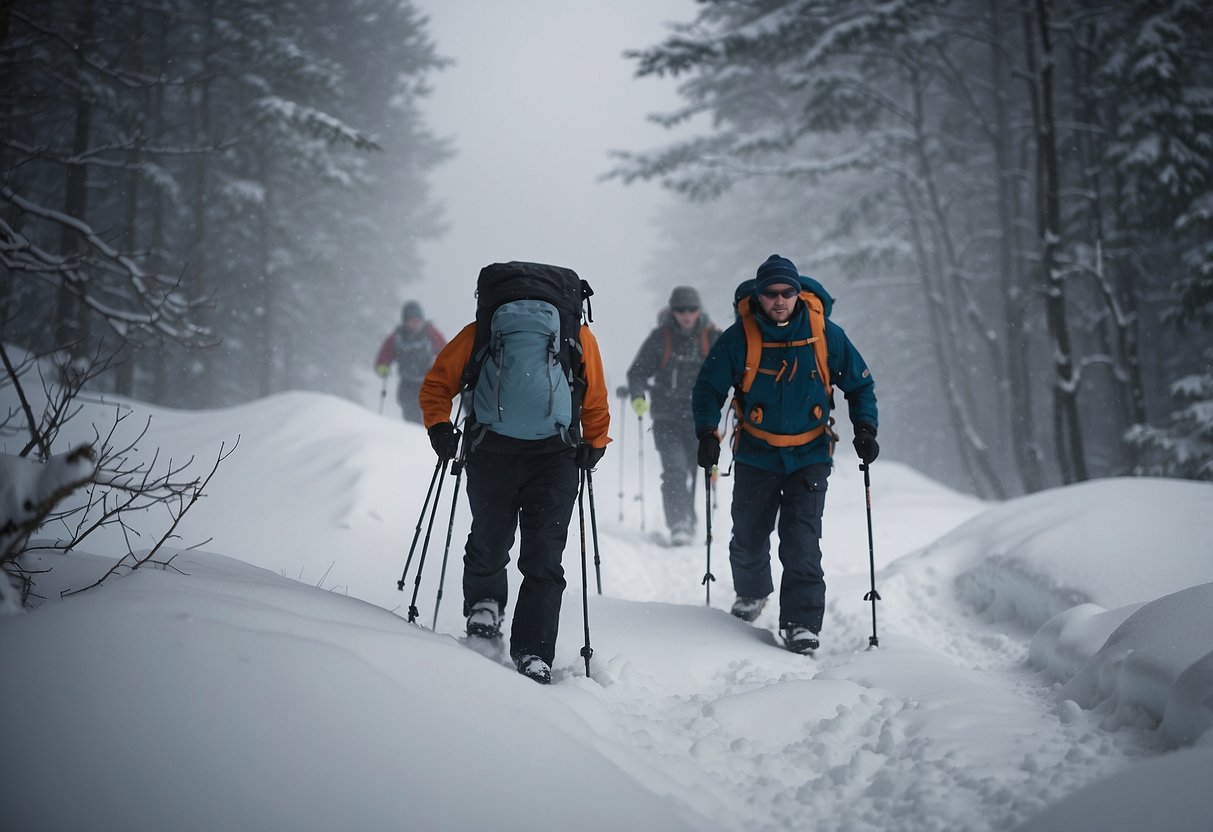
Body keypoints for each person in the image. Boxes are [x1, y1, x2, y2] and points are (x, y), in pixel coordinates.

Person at [419, 265, 610, 685]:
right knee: (545, 555)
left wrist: (439, 426)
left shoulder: (481, 331)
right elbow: (594, 395)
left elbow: (437, 385)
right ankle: (534, 652)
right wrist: (595, 444)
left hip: (491, 449)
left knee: (490, 535)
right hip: (556, 455)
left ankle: (485, 607)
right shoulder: (577, 336)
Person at [691, 254, 879, 655]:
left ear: (798, 293)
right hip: (756, 454)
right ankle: (753, 592)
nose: (779, 300)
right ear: (758, 296)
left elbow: (860, 386)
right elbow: (708, 388)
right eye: (771, 293)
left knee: (801, 542)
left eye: (787, 292)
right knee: (748, 538)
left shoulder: (825, 333)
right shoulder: (740, 337)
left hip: (810, 454)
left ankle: (801, 623)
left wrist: (865, 428)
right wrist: (707, 432)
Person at [626, 286, 720, 545]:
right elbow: (637, 372)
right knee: (674, 469)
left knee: (694, 468)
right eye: (681, 310)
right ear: (672, 310)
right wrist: (637, 397)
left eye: (691, 309)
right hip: (666, 416)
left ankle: (689, 518)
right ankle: (679, 523)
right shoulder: (660, 337)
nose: (687, 315)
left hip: (699, 419)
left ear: (699, 310)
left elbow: (732, 370)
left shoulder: (712, 337)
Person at [374, 301, 447, 423]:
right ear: (405, 321)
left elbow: (447, 352)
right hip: (407, 384)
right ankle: (413, 437)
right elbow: (383, 358)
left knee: (430, 415)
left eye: (417, 319)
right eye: (411, 319)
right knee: (411, 416)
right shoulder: (397, 337)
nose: (415, 322)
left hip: (429, 383)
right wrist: (383, 367)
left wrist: (439, 362)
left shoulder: (431, 333)